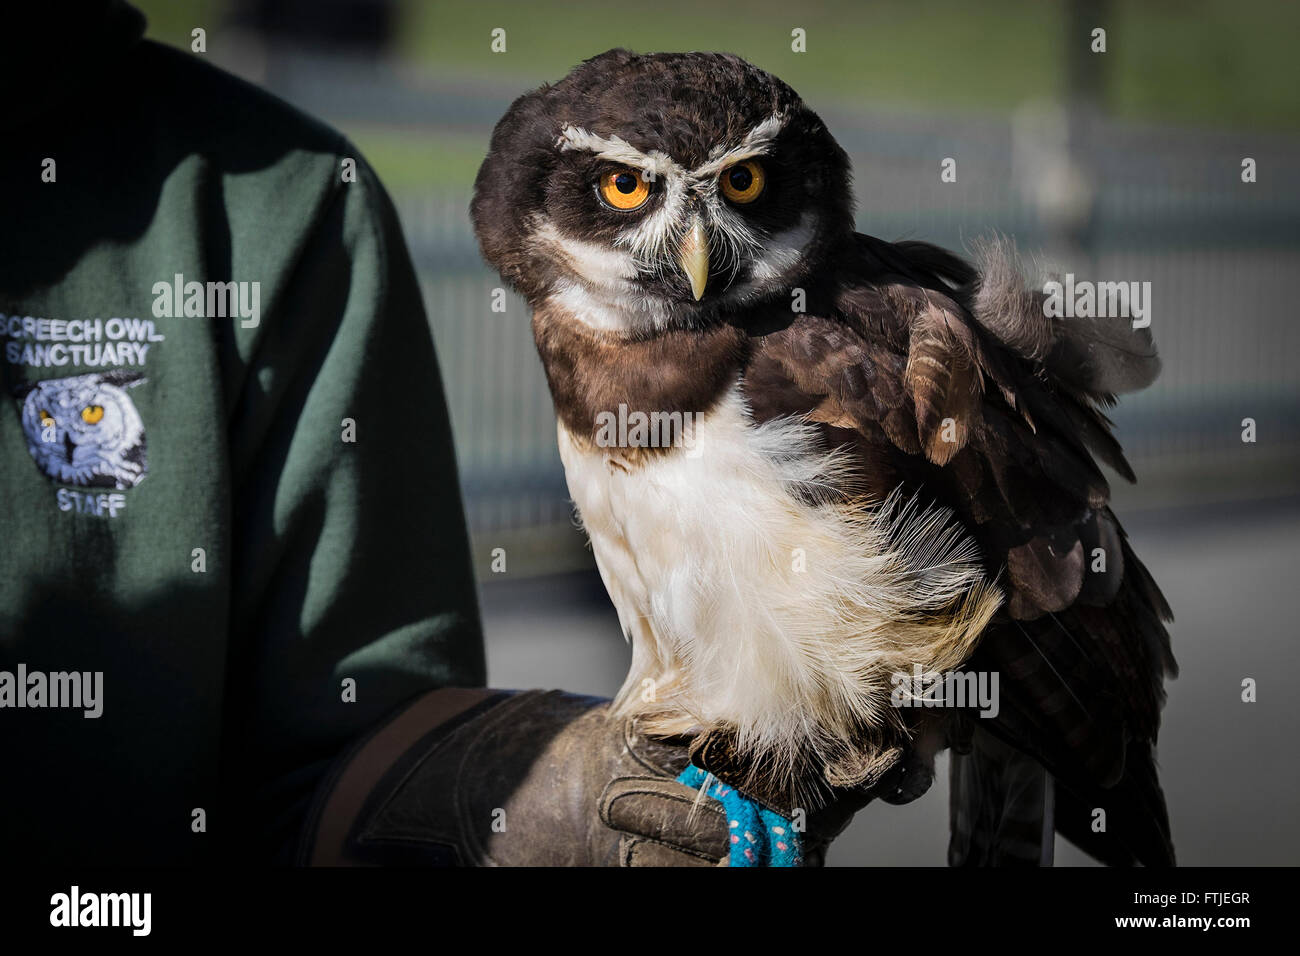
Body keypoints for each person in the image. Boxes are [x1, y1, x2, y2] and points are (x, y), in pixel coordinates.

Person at [1, 0, 767, 867]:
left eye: (740, 187)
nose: (692, 244)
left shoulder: (271, 199)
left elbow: (348, 745)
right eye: (628, 188)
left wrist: (520, 796)